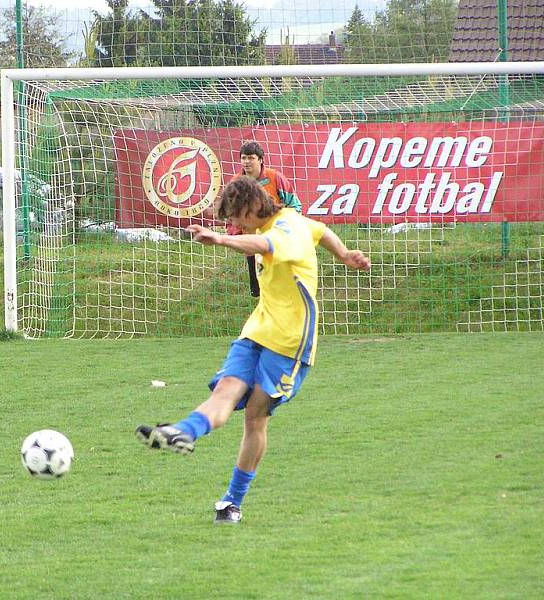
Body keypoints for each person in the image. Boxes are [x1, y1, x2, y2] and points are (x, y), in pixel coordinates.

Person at [136, 175, 371, 524]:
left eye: (235, 219)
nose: (234, 226)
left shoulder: (286, 226)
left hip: (290, 340)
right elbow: (320, 230)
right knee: (228, 389)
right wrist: (343, 254)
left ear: (250, 207)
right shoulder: (292, 223)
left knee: (255, 417)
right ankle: (183, 432)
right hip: (258, 328)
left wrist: (218, 240)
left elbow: (266, 246)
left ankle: (232, 501)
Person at [228, 140, 300, 297]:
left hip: (277, 241)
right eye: (243, 158)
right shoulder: (236, 182)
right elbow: (230, 211)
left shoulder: (275, 178)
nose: (246, 162)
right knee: (259, 292)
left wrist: (289, 228)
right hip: (252, 243)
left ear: (260, 159)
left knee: (282, 287)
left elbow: (295, 205)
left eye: (251, 158)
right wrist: (234, 232)